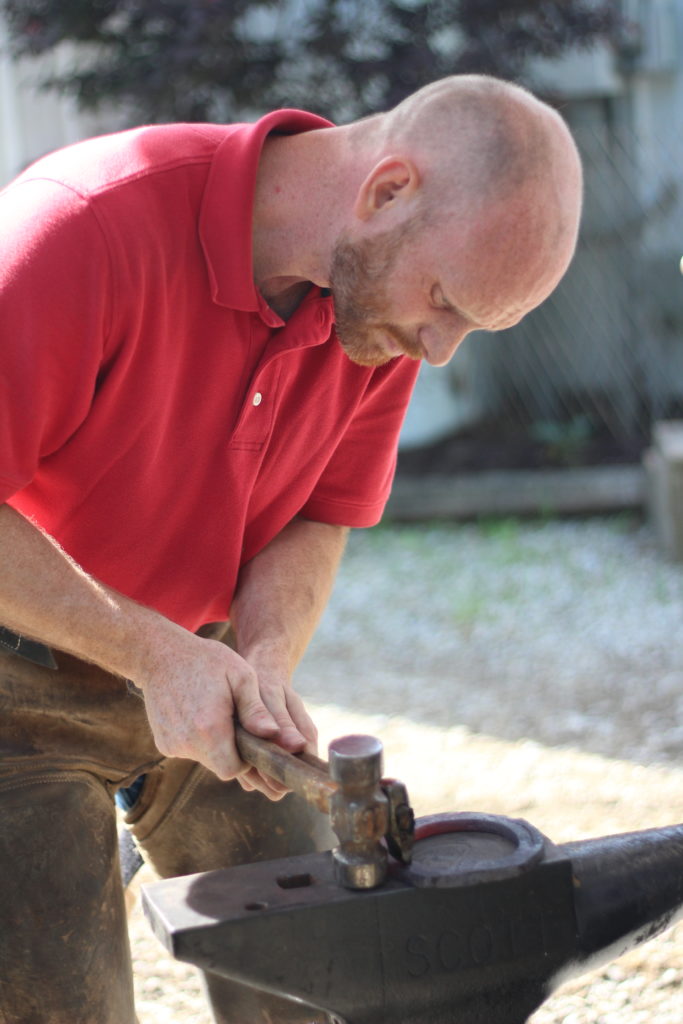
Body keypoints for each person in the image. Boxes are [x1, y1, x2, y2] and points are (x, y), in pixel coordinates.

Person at [0, 74, 582, 1023]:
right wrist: (154, 653)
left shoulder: (379, 321)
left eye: (473, 326)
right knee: (58, 1006)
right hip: (14, 680)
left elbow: (321, 510)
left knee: (327, 971)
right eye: (443, 300)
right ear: (387, 190)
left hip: (201, 663)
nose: (439, 351)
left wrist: (263, 658)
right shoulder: (82, 231)